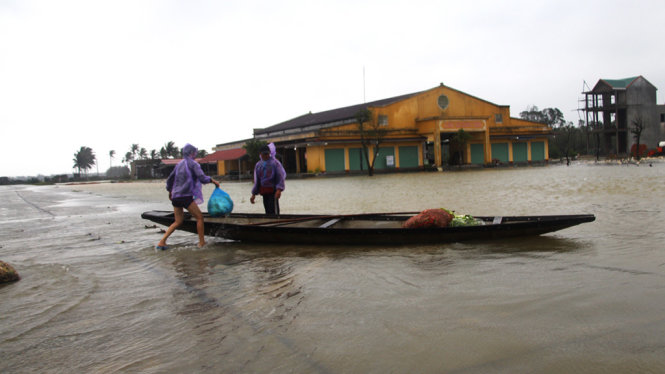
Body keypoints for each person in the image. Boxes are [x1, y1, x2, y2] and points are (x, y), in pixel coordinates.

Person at [156, 143, 219, 249]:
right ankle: (202, 243)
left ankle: (162, 241)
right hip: (185, 197)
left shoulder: (179, 165)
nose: (195, 154)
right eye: (194, 152)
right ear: (191, 153)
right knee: (199, 218)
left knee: (178, 221)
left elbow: (170, 180)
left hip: (176, 197)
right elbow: (202, 178)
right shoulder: (194, 164)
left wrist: (170, 191)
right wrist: (213, 181)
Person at [250, 143, 286, 215]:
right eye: (264, 154)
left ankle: (275, 223)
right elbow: (257, 181)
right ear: (260, 154)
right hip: (264, 191)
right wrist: (253, 194)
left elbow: (280, 177)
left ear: (269, 153)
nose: (265, 156)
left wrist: (279, 190)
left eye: (267, 154)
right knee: (267, 210)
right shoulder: (258, 165)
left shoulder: (275, 163)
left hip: (273, 191)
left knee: (274, 210)